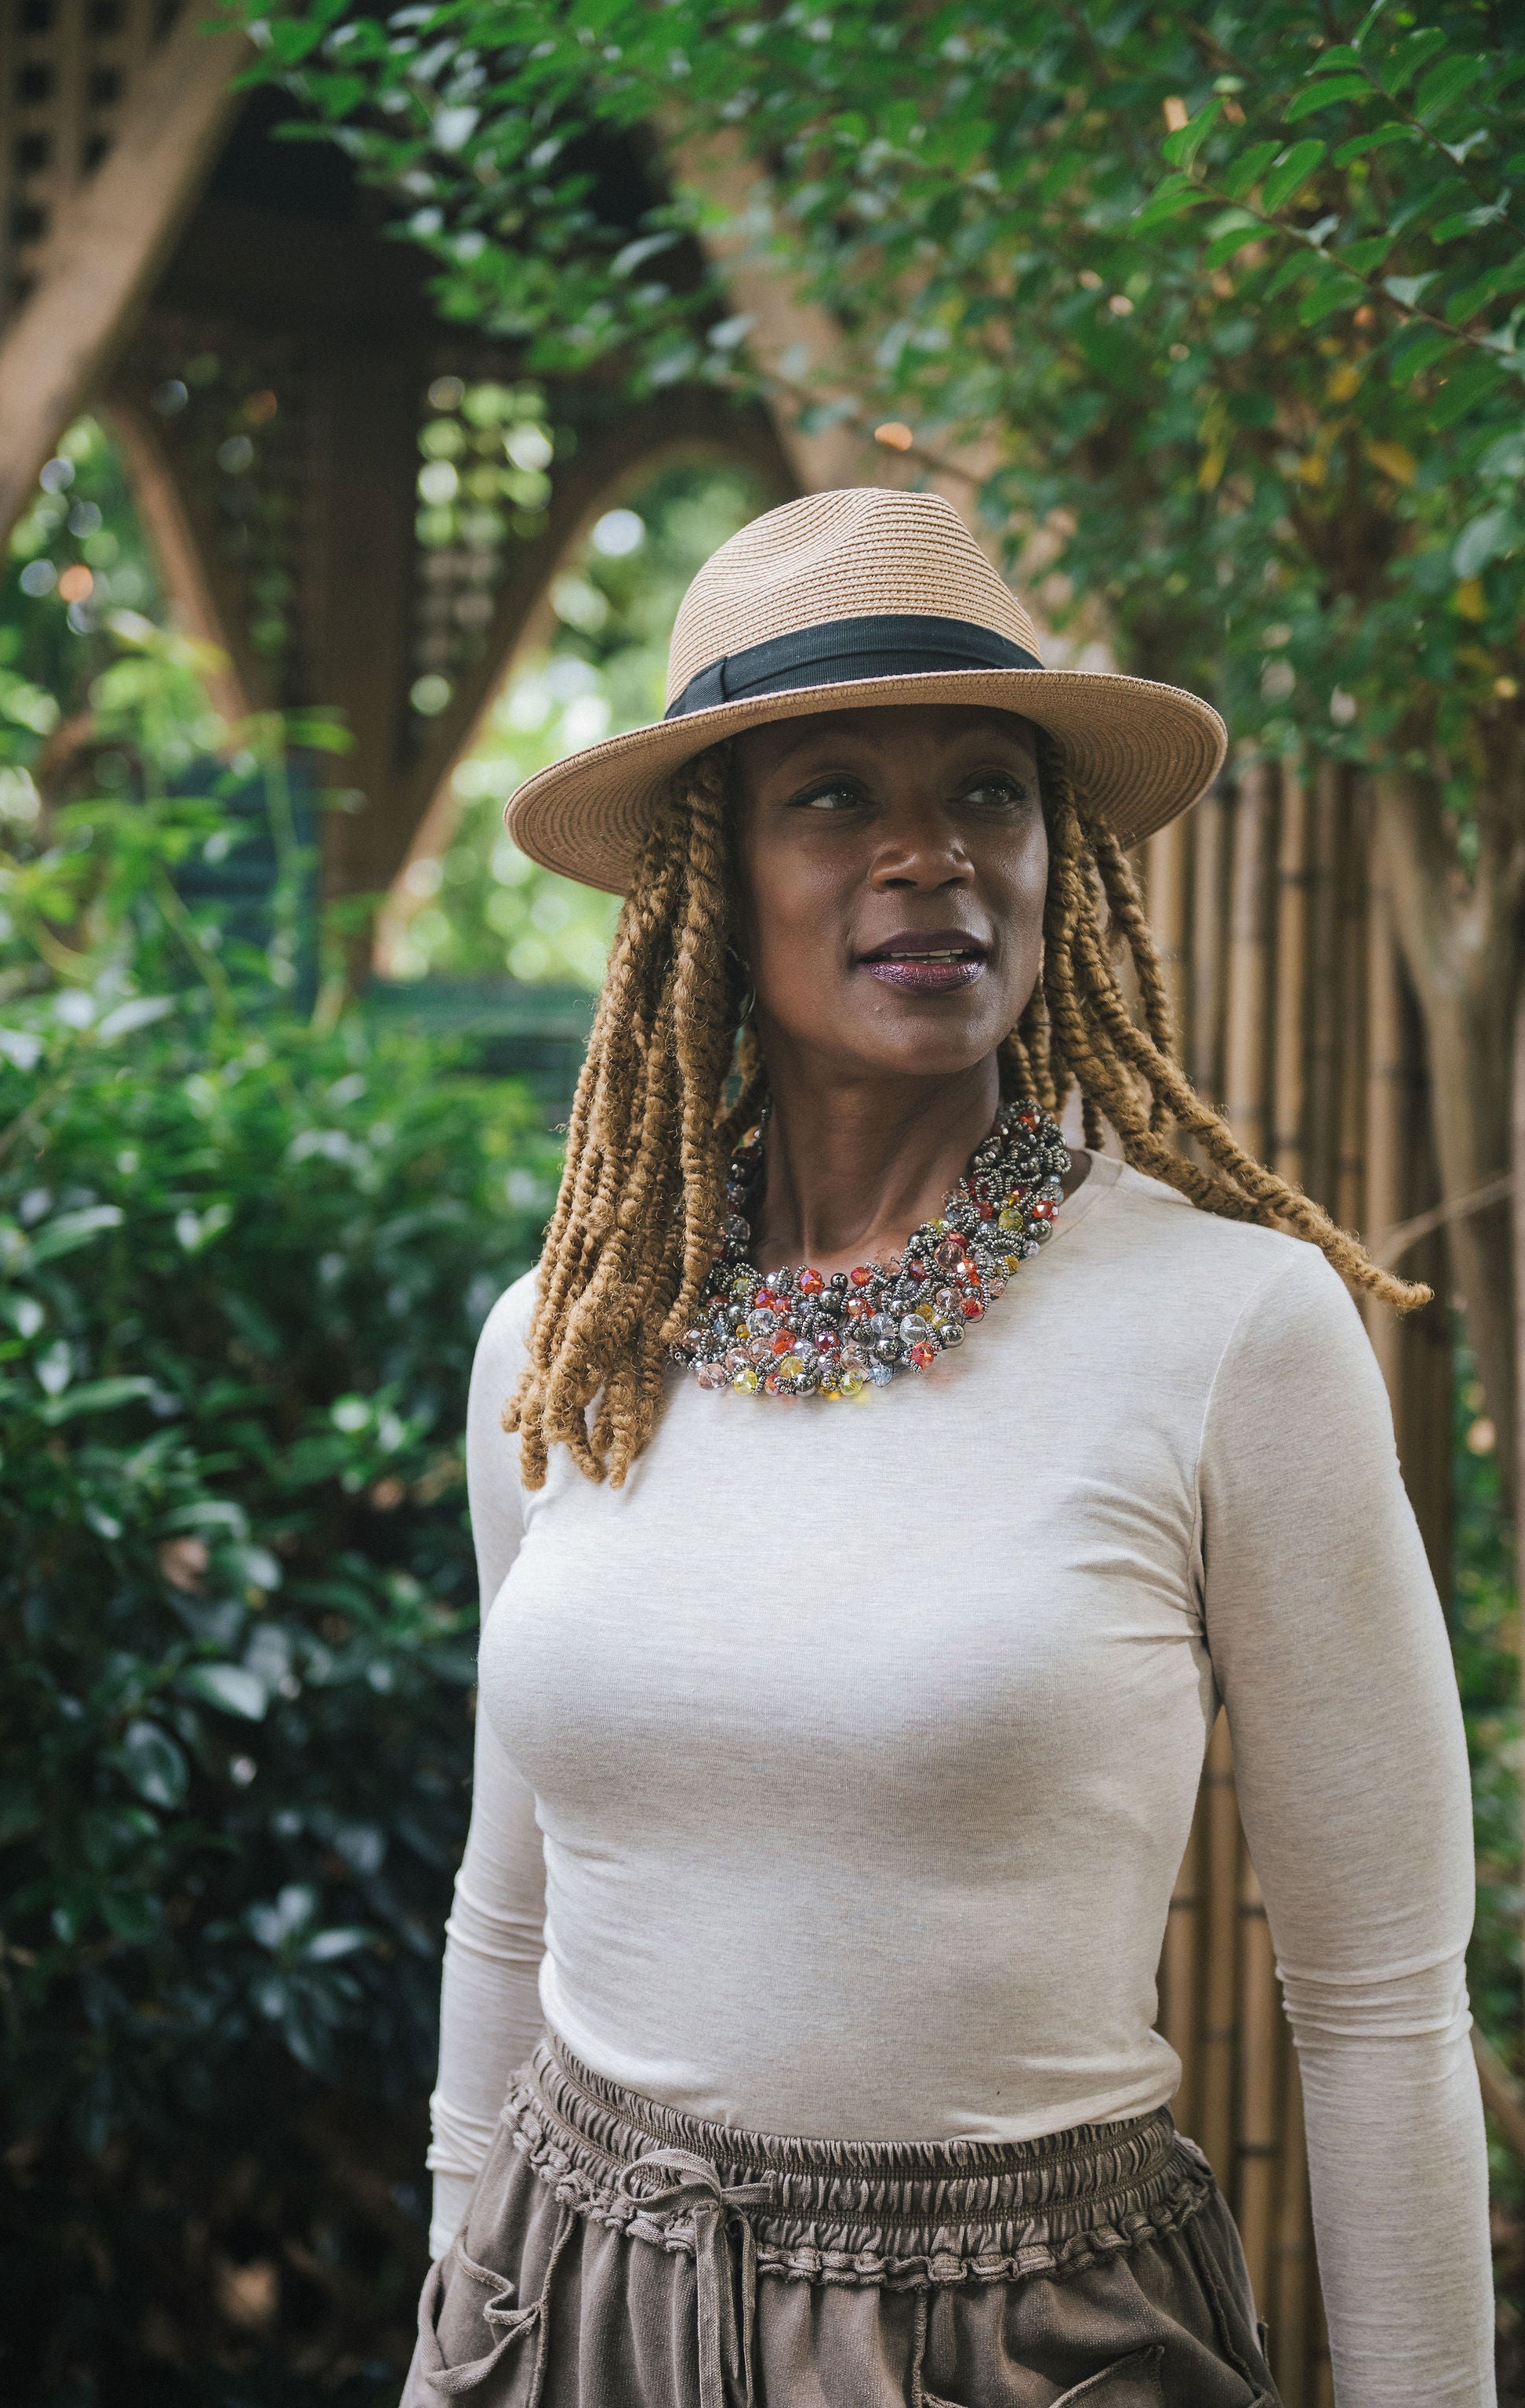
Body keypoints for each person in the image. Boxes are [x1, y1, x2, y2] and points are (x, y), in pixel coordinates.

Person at [402, 489, 1491, 2408]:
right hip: (568, 2312)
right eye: (834, 795)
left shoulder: (1232, 1333)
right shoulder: (568, 1347)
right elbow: (512, 1914)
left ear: (1055, 858)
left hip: (1020, 2342)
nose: (933, 855)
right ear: (708, 876)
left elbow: (1381, 2009)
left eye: (988, 791)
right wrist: (454, 2322)